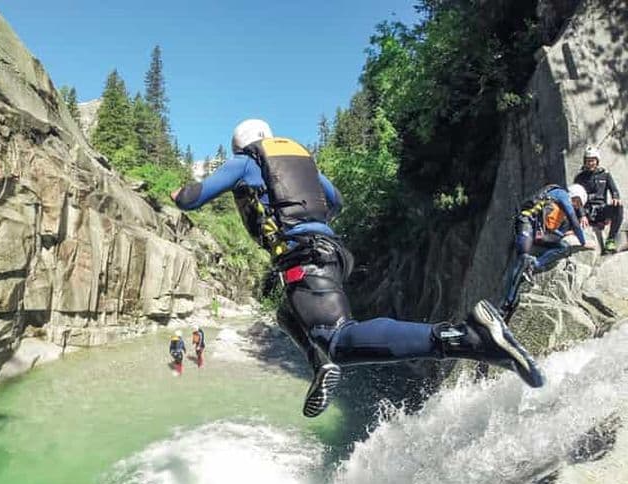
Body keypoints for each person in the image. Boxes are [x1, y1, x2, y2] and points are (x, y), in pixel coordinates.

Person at [171, 119, 544, 418]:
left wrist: (176, 194)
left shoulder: (246, 161)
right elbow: (335, 201)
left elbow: (191, 199)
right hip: (330, 253)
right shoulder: (301, 163)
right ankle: (321, 364)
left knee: (338, 339)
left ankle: (465, 337)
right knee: (286, 312)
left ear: (241, 145)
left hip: (304, 257)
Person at [500, 183, 595, 319]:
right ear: (574, 196)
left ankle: (535, 264)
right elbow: (574, 221)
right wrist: (584, 242)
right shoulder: (562, 194)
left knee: (563, 247)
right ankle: (506, 304)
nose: (576, 207)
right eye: (578, 203)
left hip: (538, 231)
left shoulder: (561, 208)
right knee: (523, 258)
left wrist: (564, 234)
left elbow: (553, 228)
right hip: (527, 222)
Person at [574, 145, 623, 253]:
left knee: (618, 207)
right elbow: (576, 198)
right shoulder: (580, 177)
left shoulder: (605, 175)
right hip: (586, 211)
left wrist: (615, 198)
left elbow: (614, 191)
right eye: (588, 161)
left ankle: (610, 240)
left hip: (601, 210)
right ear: (585, 162)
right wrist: (582, 215)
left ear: (597, 161)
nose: (590, 163)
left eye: (593, 160)